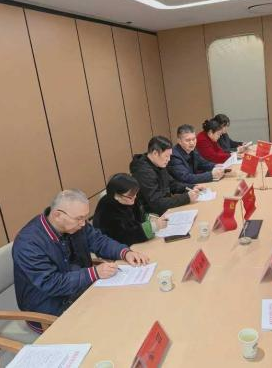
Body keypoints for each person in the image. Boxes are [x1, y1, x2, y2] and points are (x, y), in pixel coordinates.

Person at [13, 190, 149, 330]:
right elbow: (51, 283)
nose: (83, 224)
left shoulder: (76, 224)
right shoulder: (28, 243)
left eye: (85, 218)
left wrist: (124, 252)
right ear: (57, 215)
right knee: (113, 325)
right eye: (79, 218)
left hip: (83, 291)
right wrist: (93, 273)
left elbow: (99, 241)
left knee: (132, 304)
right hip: (50, 309)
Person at [130, 136, 202, 215]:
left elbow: (172, 184)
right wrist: (186, 198)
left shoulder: (158, 163)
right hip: (152, 216)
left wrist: (192, 187)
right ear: (155, 153)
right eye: (166, 156)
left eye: (170, 156)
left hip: (165, 209)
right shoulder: (143, 172)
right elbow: (157, 203)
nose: (169, 159)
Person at [93, 174, 168, 245]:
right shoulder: (107, 211)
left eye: (135, 193)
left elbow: (139, 215)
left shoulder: (130, 198)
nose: (135, 197)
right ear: (116, 196)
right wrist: (153, 226)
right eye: (130, 196)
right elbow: (124, 237)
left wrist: (149, 218)